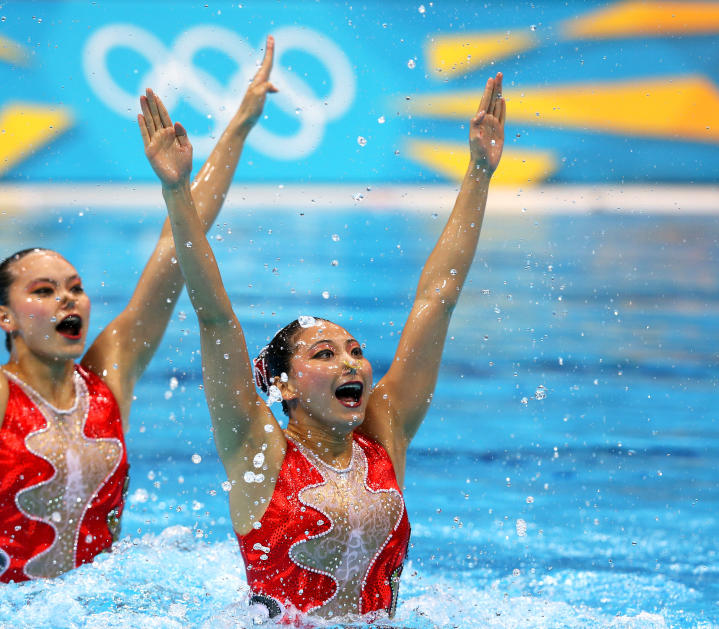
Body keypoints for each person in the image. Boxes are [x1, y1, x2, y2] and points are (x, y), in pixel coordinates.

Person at [0, 35, 277, 584]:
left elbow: (176, 253)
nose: (67, 299)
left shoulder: (108, 377)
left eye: (74, 287)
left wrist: (235, 129)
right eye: (42, 291)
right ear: (4, 317)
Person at [141, 72, 506, 621]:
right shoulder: (257, 448)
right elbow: (215, 317)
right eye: (324, 354)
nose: (351, 362)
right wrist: (176, 190)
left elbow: (438, 298)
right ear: (283, 384)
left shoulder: (385, 433)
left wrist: (478, 172)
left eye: (355, 350)